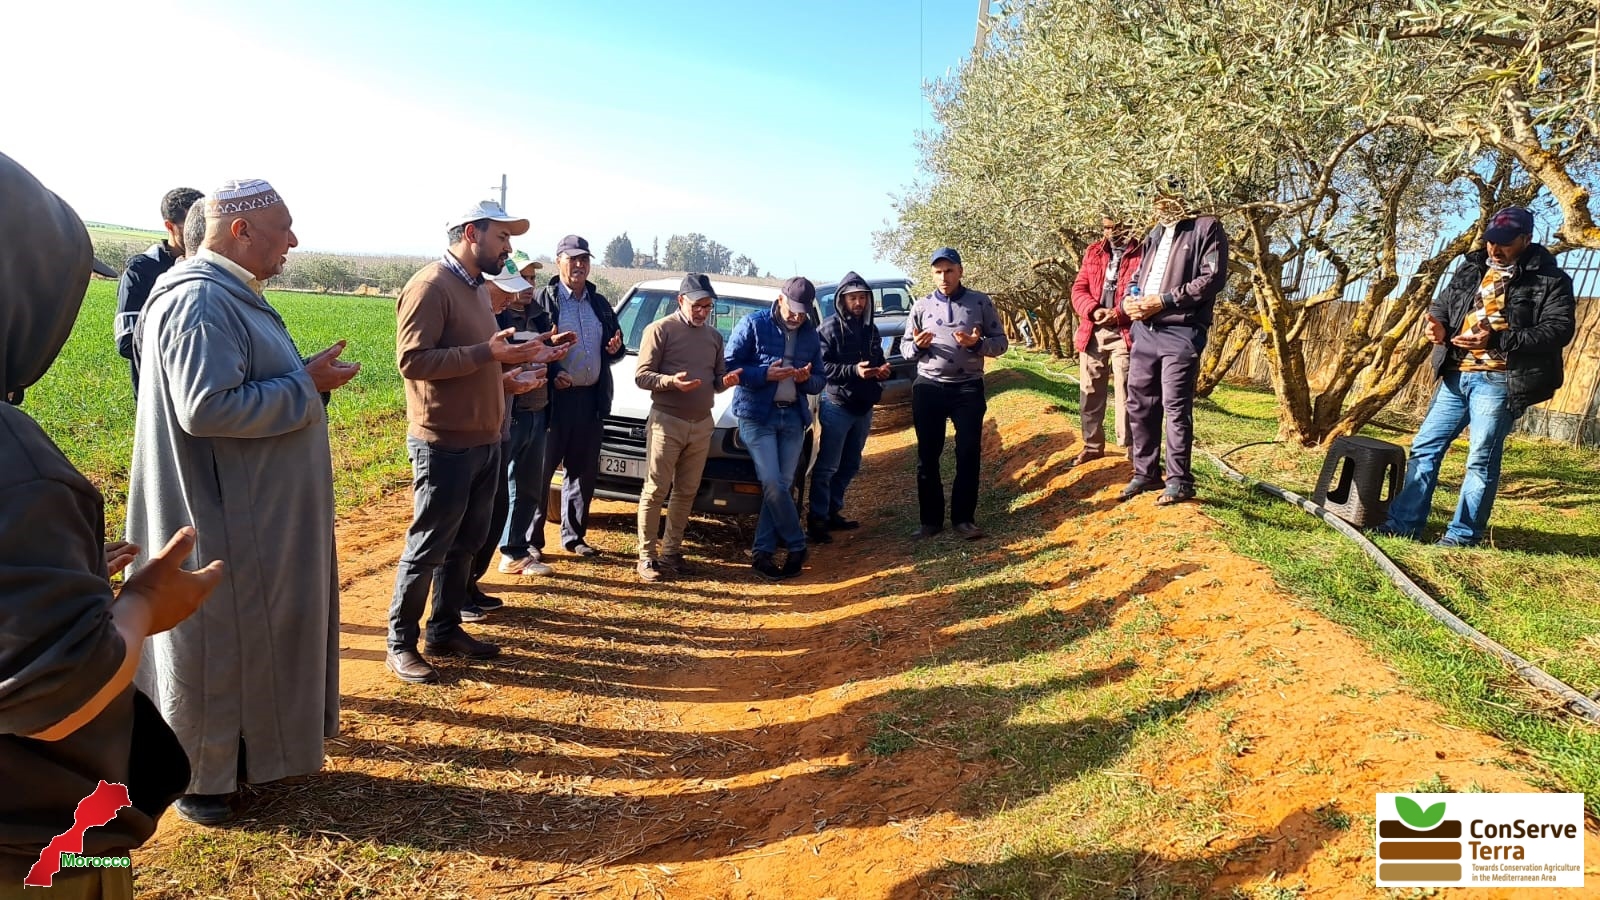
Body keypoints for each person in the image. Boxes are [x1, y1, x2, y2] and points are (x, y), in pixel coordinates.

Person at [0, 152, 223, 900]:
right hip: (37, 857)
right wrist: (138, 606)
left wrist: (59, 577)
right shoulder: (14, 462)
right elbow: (59, 693)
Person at [124, 179, 359, 827]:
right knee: (214, 644)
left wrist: (305, 380)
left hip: (248, 508)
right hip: (215, 513)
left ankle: (243, 761)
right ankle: (201, 781)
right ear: (240, 231)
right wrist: (301, 385)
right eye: (284, 226)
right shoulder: (199, 299)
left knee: (247, 641)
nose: (294, 240)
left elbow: (247, 386)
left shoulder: (231, 296)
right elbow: (206, 407)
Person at [387, 201, 553, 685]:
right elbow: (414, 362)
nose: (508, 247)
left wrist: (512, 371)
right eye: (501, 237)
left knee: (466, 543)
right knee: (429, 546)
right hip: (444, 442)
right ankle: (401, 642)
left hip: (485, 438)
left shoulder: (477, 289)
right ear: (470, 233)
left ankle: (444, 627)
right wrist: (489, 352)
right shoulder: (430, 286)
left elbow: (480, 361)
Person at [1381, 207, 1576, 547]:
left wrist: (1498, 340)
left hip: (1499, 380)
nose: (1494, 250)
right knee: (1425, 448)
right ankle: (1402, 525)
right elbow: (1443, 305)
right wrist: (1437, 326)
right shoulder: (1472, 268)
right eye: (1490, 241)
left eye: (1504, 243)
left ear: (1525, 240)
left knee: (1480, 459)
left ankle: (1461, 536)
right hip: (1457, 374)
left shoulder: (1550, 280)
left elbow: (1558, 330)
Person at [451, 263, 557, 621]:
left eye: (526, 283)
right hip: (474, 429)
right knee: (466, 522)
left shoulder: (520, 315)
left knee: (491, 512)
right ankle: (449, 607)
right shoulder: (479, 318)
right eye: (510, 286)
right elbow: (463, 371)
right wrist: (510, 379)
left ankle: (469, 587)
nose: (516, 293)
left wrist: (539, 358)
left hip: (504, 421)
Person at [1120, 177, 1229, 505]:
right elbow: (1138, 277)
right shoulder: (1154, 234)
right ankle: (1146, 473)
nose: (1157, 203)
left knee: (1175, 407)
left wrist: (1164, 301)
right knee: (1140, 404)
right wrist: (1129, 298)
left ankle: (1179, 480)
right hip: (1145, 331)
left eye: (1163, 196)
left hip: (1181, 331)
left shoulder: (1206, 227)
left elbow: (1211, 279)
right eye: (1154, 198)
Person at [633, 273, 743, 582]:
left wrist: (727, 381)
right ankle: (647, 556)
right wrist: (670, 382)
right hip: (668, 421)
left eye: (708, 306)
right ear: (681, 301)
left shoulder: (713, 337)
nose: (703, 312)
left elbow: (717, 381)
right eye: (697, 305)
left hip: (701, 423)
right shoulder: (660, 330)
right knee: (655, 489)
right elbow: (642, 376)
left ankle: (671, 552)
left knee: (686, 491)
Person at [527, 235, 625, 560]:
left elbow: (613, 344)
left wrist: (615, 349)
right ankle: (531, 541)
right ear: (559, 262)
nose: (579, 265)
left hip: (591, 398)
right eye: (573, 259)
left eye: (584, 259)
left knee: (582, 472)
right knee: (542, 471)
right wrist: (554, 376)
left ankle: (574, 537)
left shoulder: (599, 303)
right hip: (554, 400)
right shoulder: (545, 300)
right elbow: (533, 349)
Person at [902, 248, 1008, 541]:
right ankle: (930, 521)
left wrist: (977, 345)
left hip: (968, 388)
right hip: (929, 387)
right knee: (928, 454)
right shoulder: (921, 306)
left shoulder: (979, 302)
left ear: (960, 271)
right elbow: (905, 348)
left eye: (949, 270)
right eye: (938, 271)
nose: (943, 277)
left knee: (968, 451)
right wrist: (919, 347)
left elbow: (1001, 343)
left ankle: (964, 519)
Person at [726, 277, 826, 579]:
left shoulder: (810, 335)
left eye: (802, 312)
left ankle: (762, 554)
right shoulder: (753, 324)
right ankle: (797, 544)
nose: (797, 317)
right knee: (772, 482)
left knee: (781, 486)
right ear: (780, 299)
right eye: (793, 309)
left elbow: (820, 379)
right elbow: (729, 366)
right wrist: (763, 374)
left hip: (793, 417)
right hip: (757, 416)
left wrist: (804, 380)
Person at [808, 271, 890, 542]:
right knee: (827, 466)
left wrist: (880, 371)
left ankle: (833, 511)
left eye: (862, 298)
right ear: (842, 301)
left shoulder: (871, 329)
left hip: (864, 406)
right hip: (837, 404)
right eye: (853, 298)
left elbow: (876, 358)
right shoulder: (828, 328)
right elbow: (821, 368)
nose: (858, 303)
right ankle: (817, 520)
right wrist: (854, 370)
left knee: (851, 464)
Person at [495, 250, 558, 578]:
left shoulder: (540, 317)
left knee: (530, 485)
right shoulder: (497, 319)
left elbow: (543, 356)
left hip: (538, 408)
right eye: (522, 277)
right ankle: (506, 549)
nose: (528, 285)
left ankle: (516, 548)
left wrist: (555, 358)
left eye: (532, 279)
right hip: (511, 412)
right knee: (503, 486)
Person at [114, 187, 204, 392]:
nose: (200, 233)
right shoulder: (141, 270)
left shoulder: (212, 267)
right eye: (191, 225)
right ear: (169, 226)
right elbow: (127, 341)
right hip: (158, 395)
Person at [1069, 215, 1141, 465]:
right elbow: (1079, 289)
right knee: (1089, 390)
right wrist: (1093, 309)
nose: (1111, 232)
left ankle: (1132, 451)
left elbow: (1144, 291)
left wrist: (1118, 313)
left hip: (1126, 331)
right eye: (1107, 227)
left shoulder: (1143, 252)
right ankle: (1092, 445)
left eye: (1117, 226)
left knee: (1127, 391)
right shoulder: (1094, 251)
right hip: (1093, 329)